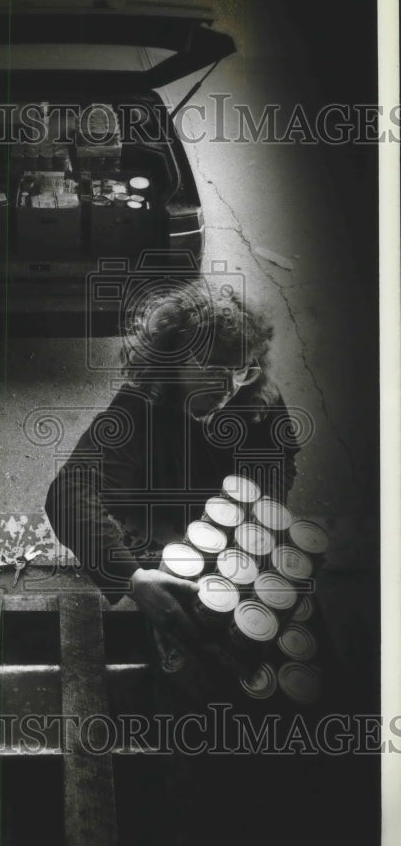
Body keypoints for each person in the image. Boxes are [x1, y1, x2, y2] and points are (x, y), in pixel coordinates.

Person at [45, 275, 300, 651]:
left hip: (225, 540)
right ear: (174, 360)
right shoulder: (139, 407)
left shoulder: (256, 394)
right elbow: (69, 493)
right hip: (153, 536)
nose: (228, 389)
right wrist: (131, 579)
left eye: (240, 370)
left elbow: (280, 461)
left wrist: (257, 518)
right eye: (213, 371)